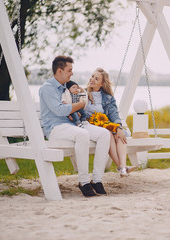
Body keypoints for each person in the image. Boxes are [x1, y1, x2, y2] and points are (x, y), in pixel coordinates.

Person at [39, 56, 111, 197]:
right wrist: (81, 104)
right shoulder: (48, 88)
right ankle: (84, 182)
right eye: (69, 70)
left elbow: (72, 108)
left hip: (74, 124)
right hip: (55, 127)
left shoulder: (68, 87)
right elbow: (60, 110)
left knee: (104, 134)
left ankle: (96, 180)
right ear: (60, 71)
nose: (72, 73)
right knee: (82, 135)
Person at [85, 68, 136, 177]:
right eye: (92, 76)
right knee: (108, 134)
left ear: (102, 83)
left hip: (104, 125)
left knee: (119, 134)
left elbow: (113, 113)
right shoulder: (83, 94)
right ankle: (122, 168)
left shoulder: (108, 97)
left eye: (96, 78)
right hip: (90, 127)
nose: (92, 79)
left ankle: (122, 166)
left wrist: (118, 127)